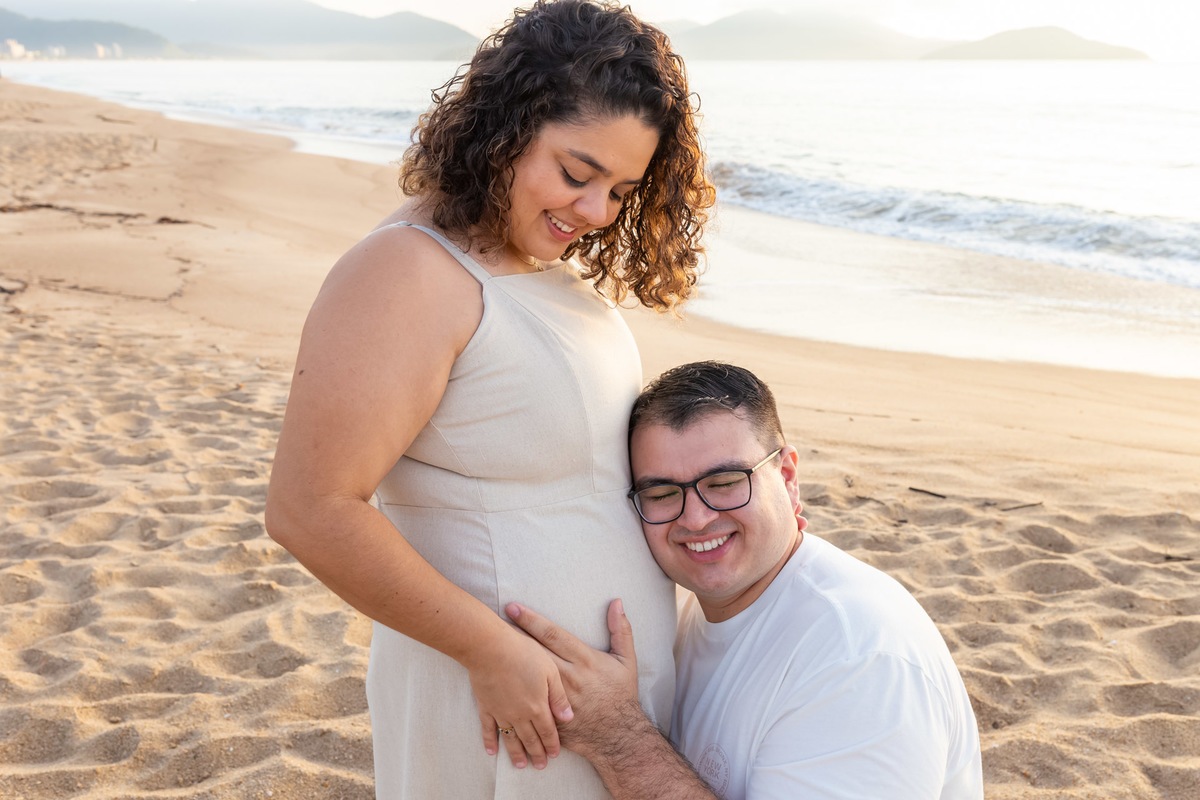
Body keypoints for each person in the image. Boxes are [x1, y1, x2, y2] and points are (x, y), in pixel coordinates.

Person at [263, 2, 714, 797]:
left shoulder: (529, 258)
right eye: (575, 174)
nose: (596, 212)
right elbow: (309, 508)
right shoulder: (406, 272)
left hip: (586, 704)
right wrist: (492, 652)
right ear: (505, 128)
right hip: (507, 703)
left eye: (621, 190)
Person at [508, 361, 985, 799]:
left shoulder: (858, 656)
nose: (695, 518)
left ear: (788, 477)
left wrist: (615, 737)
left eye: (724, 483)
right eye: (663, 493)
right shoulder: (693, 612)